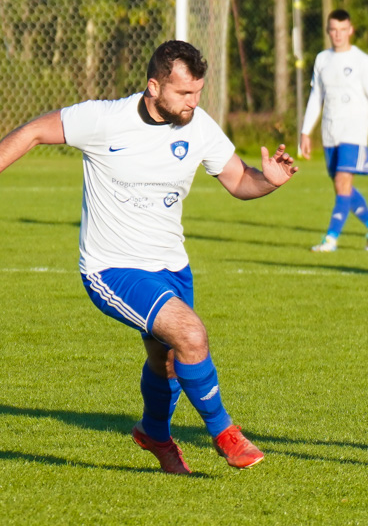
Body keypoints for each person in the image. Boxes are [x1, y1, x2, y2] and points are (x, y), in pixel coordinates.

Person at [0, 40, 299, 474]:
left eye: (197, 92)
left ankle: (155, 435)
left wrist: (267, 180)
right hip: (113, 267)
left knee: (171, 362)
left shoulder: (199, 126)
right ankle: (225, 433)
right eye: (184, 93)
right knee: (191, 334)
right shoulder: (104, 119)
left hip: (171, 265)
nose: (193, 102)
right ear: (154, 86)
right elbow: (30, 132)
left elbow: (238, 181)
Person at [301, 9, 368, 252]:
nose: (338, 34)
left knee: (342, 182)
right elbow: (316, 96)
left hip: (354, 131)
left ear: (350, 30)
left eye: (343, 30)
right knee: (342, 187)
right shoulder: (322, 59)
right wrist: (305, 132)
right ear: (328, 31)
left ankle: (331, 239)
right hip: (330, 132)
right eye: (333, 29)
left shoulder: (362, 61)